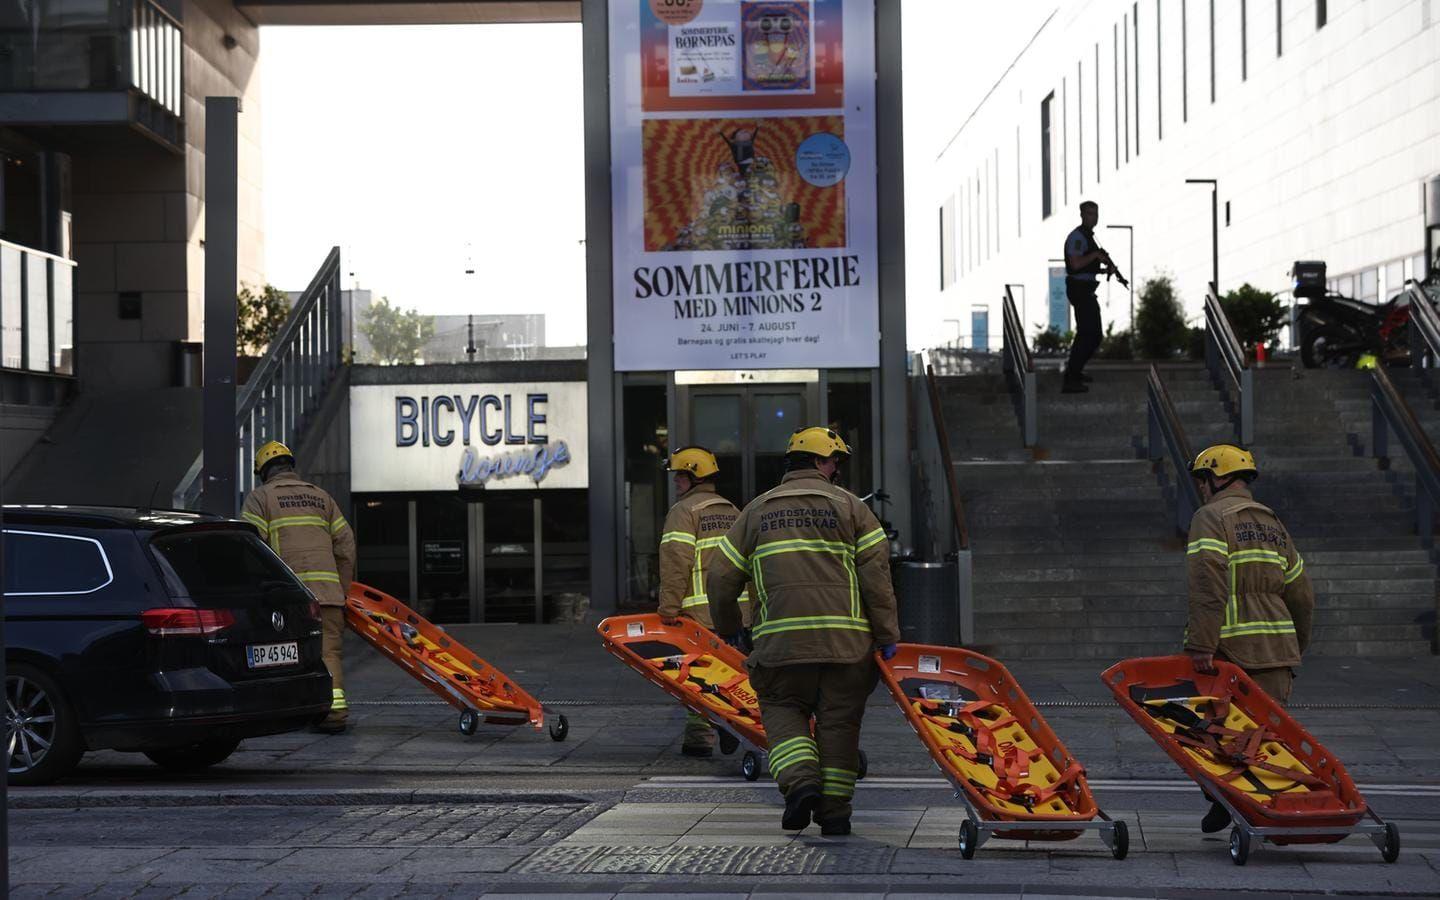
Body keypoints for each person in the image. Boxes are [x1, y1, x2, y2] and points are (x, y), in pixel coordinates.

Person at [707, 426, 900, 836]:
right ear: (819, 461)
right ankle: (835, 814)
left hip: (781, 647)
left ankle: (800, 783)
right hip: (847, 648)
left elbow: (721, 576)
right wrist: (886, 636)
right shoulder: (853, 509)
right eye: (835, 461)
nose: (837, 470)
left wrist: (730, 628)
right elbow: (877, 579)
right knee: (839, 725)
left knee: (781, 711)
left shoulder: (755, 512)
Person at [1184, 443, 1315, 832]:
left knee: (1207, 736)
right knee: (1266, 740)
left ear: (1216, 477)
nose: (1202, 488)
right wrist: (1295, 645)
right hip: (1277, 651)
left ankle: (1226, 802)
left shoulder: (1209, 518)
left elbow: (1208, 585)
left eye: (1202, 479)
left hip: (1228, 652)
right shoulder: (1272, 523)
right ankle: (1266, 807)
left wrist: (1202, 644)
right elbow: (1302, 593)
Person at [242, 441, 357, 734]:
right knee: (328, 653)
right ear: (290, 466)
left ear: (263, 472)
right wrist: (341, 589)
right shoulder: (322, 497)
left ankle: (281, 714)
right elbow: (346, 546)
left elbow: (251, 548)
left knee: (279, 655)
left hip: (288, 599)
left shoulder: (260, 498)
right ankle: (334, 713)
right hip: (328, 595)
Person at [658, 446, 751, 757]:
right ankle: (730, 723)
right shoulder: (733, 511)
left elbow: (675, 564)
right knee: (730, 675)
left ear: (694, 477)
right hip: (736, 614)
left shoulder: (684, 513)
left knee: (695, 676)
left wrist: (668, 609)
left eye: (680, 476)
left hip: (699, 616)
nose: (676, 482)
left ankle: (701, 737)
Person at [1062, 200, 1119, 394]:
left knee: (1093, 335)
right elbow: (1076, 265)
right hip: (1079, 289)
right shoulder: (1078, 237)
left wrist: (1106, 268)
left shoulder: (1089, 237)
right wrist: (1096, 255)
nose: (1092, 217)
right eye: (1089, 214)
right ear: (1081, 215)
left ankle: (1075, 372)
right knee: (1088, 333)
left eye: (1095, 214)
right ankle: (1071, 377)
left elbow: (1088, 266)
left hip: (1086, 288)